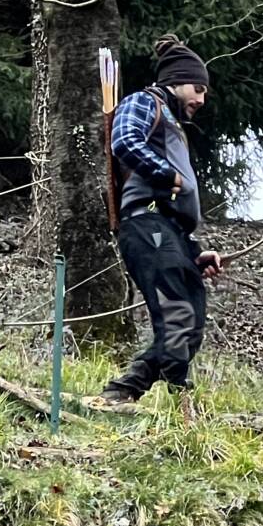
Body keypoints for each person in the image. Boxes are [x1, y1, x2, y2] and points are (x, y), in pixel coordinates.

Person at [92, 34, 224, 409]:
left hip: (168, 231)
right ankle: (182, 404)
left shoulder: (173, 123)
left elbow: (172, 207)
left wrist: (195, 252)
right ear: (177, 81)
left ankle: (124, 390)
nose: (201, 99)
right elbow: (124, 140)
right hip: (146, 224)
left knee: (191, 321)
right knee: (178, 314)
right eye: (198, 88)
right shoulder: (144, 102)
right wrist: (169, 176)